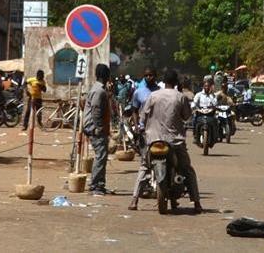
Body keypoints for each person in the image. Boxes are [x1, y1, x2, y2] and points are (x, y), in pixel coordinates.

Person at [129, 69, 201, 213]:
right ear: (175, 82)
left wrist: (142, 129)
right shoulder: (180, 97)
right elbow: (187, 117)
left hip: (153, 140)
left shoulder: (153, 96)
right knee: (188, 170)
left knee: (144, 167)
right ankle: (197, 202)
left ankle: (134, 200)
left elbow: (142, 118)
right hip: (175, 141)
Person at [84, 63, 113, 196]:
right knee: (100, 156)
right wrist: (99, 128)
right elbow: (96, 111)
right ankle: (95, 185)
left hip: (98, 127)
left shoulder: (99, 89)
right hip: (95, 128)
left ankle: (100, 184)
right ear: (106, 75)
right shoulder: (99, 91)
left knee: (102, 155)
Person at [191, 77, 219, 145]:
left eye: (208, 86)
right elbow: (194, 102)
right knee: (194, 120)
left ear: (210, 87)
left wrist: (211, 95)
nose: (207, 87)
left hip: (210, 113)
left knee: (217, 121)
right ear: (203, 86)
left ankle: (215, 136)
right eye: (205, 86)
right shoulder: (199, 94)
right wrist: (194, 107)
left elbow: (215, 103)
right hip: (200, 112)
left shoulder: (213, 95)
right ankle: (195, 135)